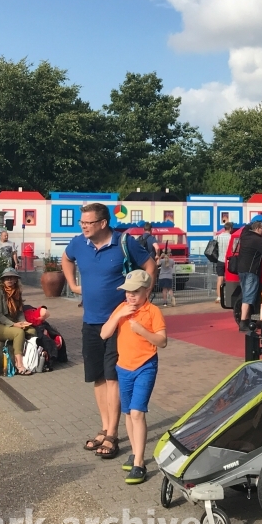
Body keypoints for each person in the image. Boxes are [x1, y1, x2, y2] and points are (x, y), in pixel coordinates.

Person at [62, 203, 156, 460]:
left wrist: (143, 296)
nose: (83, 227)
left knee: (113, 377)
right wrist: (72, 284)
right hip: (90, 322)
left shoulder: (124, 242)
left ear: (103, 223)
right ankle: (105, 427)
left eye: (88, 223)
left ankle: (113, 434)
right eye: (81, 223)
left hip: (119, 324)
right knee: (97, 377)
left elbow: (150, 265)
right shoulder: (78, 243)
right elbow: (66, 258)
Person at [100, 269, 167, 485]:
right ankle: (135, 452)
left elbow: (162, 341)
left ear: (147, 291)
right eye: (127, 291)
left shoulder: (153, 311)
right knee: (128, 413)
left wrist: (140, 330)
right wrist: (119, 315)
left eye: (135, 292)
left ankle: (139, 462)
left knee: (137, 413)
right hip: (123, 368)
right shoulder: (122, 308)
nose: (130, 296)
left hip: (145, 366)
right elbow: (104, 333)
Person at [0, 268, 37, 375]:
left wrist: (23, 322)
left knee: (32, 331)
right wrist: (14, 324)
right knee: (19, 332)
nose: (9, 279)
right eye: (6, 278)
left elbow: (20, 312)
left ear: (15, 280)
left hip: (12, 323)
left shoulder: (17, 293)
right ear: (2, 280)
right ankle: (19, 365)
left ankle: (30, 360)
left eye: (11, 277)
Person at [236, 219, 262, 331]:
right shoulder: (258, 240)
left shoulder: (245, 236)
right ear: (257, 229)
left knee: (245, 294)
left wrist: (254, 222)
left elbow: (245, 227)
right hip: (251, 271)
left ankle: (246, 320)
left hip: (241, 269)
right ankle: (243, 323)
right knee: (248, 297)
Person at [214, 221, 233, 305]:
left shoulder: (217, 237)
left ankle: (219, 297)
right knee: (230, 278)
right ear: (230, 228)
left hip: (220, 260)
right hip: (229, 260)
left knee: (220, 278)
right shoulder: (231, 237)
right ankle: (229, 295)